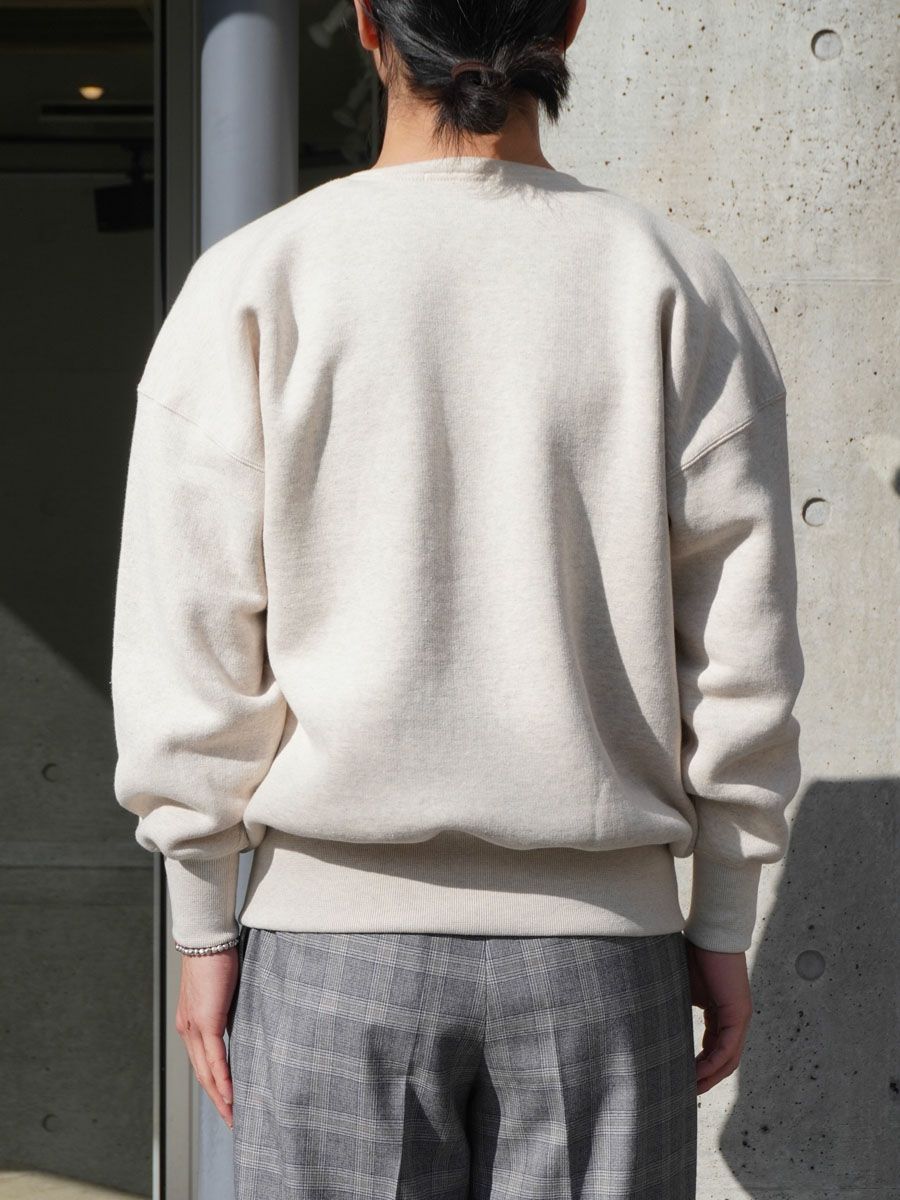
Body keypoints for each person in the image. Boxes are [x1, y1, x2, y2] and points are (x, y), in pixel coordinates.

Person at [110, 0, 805, 1195]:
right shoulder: (675, 283)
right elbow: (744, 650)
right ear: (570, 21)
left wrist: (203, 917)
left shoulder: (259, 280)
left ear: (366, 22)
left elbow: (195, 639)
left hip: (328, 964)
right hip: (604, 965)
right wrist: (724, 915)